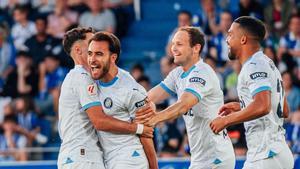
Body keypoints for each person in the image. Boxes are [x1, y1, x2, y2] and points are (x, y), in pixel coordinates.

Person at [136, 26, 235, 169]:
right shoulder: (177, 73)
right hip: (199, 158)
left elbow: (183, 105)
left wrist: (154, 119)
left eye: (179, 44)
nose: (173, 48)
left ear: (196, 48)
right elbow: (150, 97)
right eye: (173, 44)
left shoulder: (202, 72)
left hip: (216, 157)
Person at [57, 27, 153, 169]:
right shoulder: (83, 78)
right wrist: (138, 128)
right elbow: (99, 121)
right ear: (78, 50)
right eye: (90, 44)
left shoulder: (75, 78)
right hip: (84, 156)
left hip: (77, 155)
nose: (94, 45)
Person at [209, 16, 294, 169]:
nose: (227, 40)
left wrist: (226, 121)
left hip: (265, 155)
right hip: (278, 152)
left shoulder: (254, 66)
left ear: (243, 39)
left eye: (230, 34)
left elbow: (263, 106)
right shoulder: (267, 63)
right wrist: (243, 106)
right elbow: (283, 110)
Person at [87, 31, 157, 169]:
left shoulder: (130, 89)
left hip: (131, 159)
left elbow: (146, 133)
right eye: (90, 53)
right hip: (107, 160)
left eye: (99, 54)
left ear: (113, 58)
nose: (92, 59)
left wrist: (154, 167)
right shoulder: (89, 82)